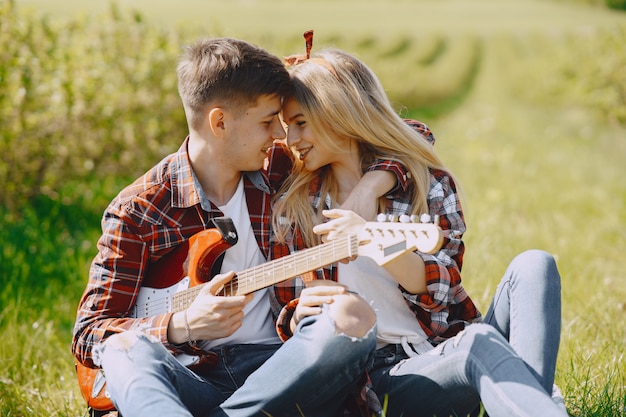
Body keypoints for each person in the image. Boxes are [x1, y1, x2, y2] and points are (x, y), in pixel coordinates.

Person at [72, 37, 401, 417]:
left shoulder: (281, 171)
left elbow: (399, 134)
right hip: (192, 377)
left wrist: (374, 183)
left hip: (283, 369)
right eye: (266, 122)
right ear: (220, 122)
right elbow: (89, 333)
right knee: (123, 349)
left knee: (351, 323)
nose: (280, 135)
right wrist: (182, 325)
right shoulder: (141, 209)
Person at [271, 43, 567, 417]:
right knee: (478, 343)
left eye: (300, 123)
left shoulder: (427, 185)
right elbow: (284, 308)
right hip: (383, 376)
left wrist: (374, 230)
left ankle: (524, 402)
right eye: (286, 127)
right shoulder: (295, 207)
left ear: (338, 111)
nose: (291, 140)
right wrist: (297, 317)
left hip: (446, 345)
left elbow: (444, 290)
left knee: (534, 265)